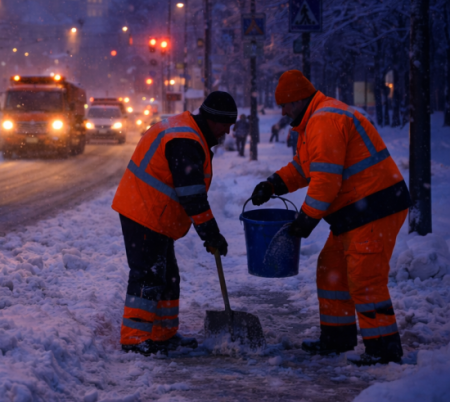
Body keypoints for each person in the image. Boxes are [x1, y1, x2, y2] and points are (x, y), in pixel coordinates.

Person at [250, 70, 409, 366]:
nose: (282, 112)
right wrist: (272, 185)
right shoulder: (314, 121)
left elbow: (325, 181)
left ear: (298, 100)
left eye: (284, 105)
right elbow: (304, 168)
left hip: (375, 208)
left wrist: (305, 220)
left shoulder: (324, 120)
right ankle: (337, 338)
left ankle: (384, 349)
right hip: (355, 212)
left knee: (365, 279)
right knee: (331, 269)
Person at [112, 92, 237, 355]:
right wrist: (211, 234)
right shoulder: (185, 140)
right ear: (213, 119)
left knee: (168, 276)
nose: (228, 131)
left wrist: (209, 233)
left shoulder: (190, 133)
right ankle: (134, 339)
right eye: (226, 124)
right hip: (144, 212)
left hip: (155, 213)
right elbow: (192, 196)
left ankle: (163, 335)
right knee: (148, 276)